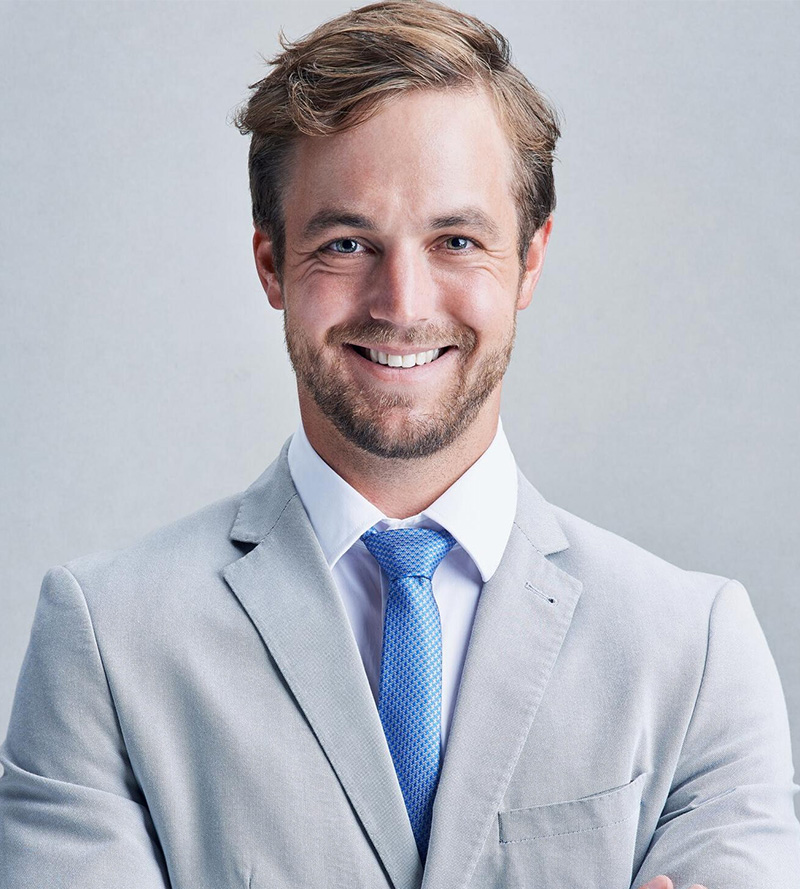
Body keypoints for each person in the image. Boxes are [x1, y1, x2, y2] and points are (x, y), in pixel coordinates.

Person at [1, 1, 798, 886]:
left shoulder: (696, 654)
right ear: (271, 263)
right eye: (346, 243)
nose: (403, 302)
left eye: (458, 239)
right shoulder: (106, 643)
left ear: (531, 259)